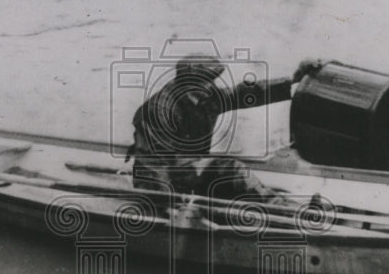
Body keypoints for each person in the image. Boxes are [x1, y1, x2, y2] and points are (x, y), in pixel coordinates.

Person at [126, 54, 323, 200]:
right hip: (164, 180)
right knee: (231, 169)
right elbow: (152, 165)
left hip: (190, 173)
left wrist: (292, 82)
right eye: (204, 83)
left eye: (211, 82)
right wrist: (166, 205)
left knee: (233, 180)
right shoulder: (159, 111)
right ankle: (288, 213)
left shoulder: (205, 97)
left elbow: (247, 93)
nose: (210, 88)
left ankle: (283, 208)